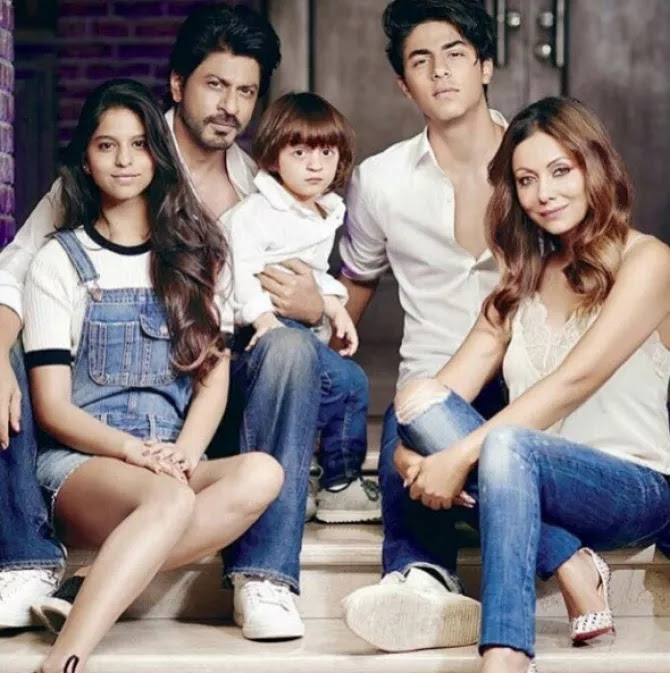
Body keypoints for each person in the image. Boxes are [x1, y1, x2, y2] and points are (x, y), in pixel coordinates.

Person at [0, 3, 318, 641]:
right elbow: (15, 272)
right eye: (216, 85)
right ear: (177, 84)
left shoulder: (265, 191)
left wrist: (313, 304)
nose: (229, 105)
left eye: (246, 91)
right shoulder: (112, 165)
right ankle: (26, 556)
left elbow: (287, 309)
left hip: (207, 390)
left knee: (294, 351)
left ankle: (263, 575)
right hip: (97, 416)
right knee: (7, 348)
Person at [392, 96, 670, 673]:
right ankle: (568, 559)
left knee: (505, 443)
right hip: (519, 480)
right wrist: (409, 452)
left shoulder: (648, 261)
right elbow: (433, 400)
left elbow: (576, 380)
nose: (544, 193)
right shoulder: (521, 278)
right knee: (418, 400)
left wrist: (456, 457)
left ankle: (507, 653)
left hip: (634, 487)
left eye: (560, 170)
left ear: (596, 167)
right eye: (525, 179)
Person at [25, 78, 283, 673]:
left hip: (169, 460)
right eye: (106, 145)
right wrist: (132, 452)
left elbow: (213, 377)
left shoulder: (199, 252)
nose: (124, 160)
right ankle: (65, 659)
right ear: (85, 160)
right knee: (169, 496)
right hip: (84, 464)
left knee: (262, 472)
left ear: (158, 155)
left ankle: (92, 580)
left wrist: (185, 452)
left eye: (139, 144)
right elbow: (52, 408)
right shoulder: (59, 261)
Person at [339, 0, 505, 650]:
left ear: (485, 65)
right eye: (421, 60)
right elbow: (356, 283)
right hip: (431, 385)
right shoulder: (380, 180)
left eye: (455, 53)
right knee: (409, 424)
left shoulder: (540, 161)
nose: (440, 72)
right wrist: (322, 361)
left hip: (528, 379)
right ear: (403, 84)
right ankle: (423, 578)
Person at [225, 91, 380, 525]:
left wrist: (333, 306)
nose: (315, 165)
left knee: (347, 384)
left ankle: (335, 484)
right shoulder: (256, 213)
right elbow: (239, 272)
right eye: (300, 153)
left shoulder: (321, 210)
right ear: (274, 157)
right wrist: (264, 318)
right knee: (334, 384)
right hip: (255, 333)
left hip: (298, 327)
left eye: (326, 153)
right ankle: (312, 481)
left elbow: (313, 272)